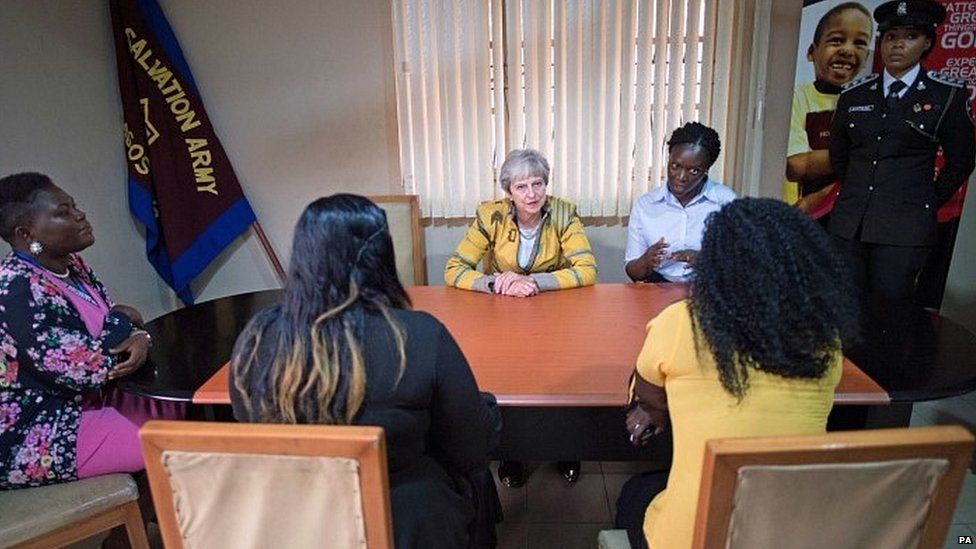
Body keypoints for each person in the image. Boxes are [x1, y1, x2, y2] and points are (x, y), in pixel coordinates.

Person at [230, 194, 501, 549]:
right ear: (380, 257)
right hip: (403, 523)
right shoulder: (418, 335)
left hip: (296, 521)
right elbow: (470, 448)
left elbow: (248, 422)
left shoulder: (256, 337)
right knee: (475, 469)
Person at [615, 198, 859, 549]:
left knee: (635, 493)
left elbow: (648, 391)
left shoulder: (683, 323)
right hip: (791, 533)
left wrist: (658, 411)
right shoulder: (825, 340)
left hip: (693, 537)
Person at [0, 172, 177, 489]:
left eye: (74, 206)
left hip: (88, 403)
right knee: (176, 438)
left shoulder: (73, 265)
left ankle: (140, 534)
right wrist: (126, 322)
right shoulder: (18, 290)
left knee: (186, 411)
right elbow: (86, 369)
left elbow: (113, 334)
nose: (79, 215)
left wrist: (132, 331)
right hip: (36, 434)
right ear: (27, 234)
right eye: (62, 212)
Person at [444, 148, 596, 486]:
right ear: (508, 192)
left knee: (561, 385)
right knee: (508, 384)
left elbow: (586, 270)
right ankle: (511, 454)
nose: (532, 194)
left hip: (555, 314)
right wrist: (495, 282)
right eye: (522, 187)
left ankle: (567, 449)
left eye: (538, 184)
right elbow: (454, 269)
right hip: (502, 313)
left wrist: (533, 282)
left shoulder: (564, 214)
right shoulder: (490, 216)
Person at [829, 0, 975, 311]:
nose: (898, 45)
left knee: (889, 313)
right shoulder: (854, 94)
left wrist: (926, 198)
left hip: (905, 227)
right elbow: (840, 155)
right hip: (850, 222)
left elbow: (962, 159)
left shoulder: (946, 94)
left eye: (909, 37)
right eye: (891, 36)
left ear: (926, 43)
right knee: (843, 309)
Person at [786, 2, 873, 221]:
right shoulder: (797, 97)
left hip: (849, 212)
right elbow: (796, 166)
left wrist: (828, 191)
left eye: (860, 43)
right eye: (836, 40)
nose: (847, 50)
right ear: (811, 52)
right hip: (802, 214)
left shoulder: (871, 102)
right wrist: (862, 154)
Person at [624, 122, 736, 283]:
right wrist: (646, 261)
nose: (681, 177)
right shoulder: (646, 205)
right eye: (675, 166)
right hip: (658, 288)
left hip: (709, 288)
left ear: (706, 170)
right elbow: (632, 272)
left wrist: (707, 262)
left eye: (694, 171)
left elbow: (741, 265)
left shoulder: (726, 202)